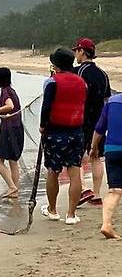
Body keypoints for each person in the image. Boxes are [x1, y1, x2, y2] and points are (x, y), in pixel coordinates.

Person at [40, 48, 87, 225]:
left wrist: (43, 126)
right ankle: (71, 214)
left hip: (55, 132)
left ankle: (52, 210)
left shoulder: (51, 82)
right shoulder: (82, 82)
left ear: (56, 64)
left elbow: (46, 107)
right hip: (76, 131)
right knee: (74, 171)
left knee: (53, 171)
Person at [72, 38, 112, 207]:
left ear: (82, 51)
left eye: (77, 51)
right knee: (97, 156)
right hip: (100, 119)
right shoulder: (103, 74)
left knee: (77, 157)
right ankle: (96, 193)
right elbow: (107, 98)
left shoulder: (78, 72)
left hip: (82, 119)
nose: (75, 54)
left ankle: (83, 189)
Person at [0, 67, 24, 198]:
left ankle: (12, 187)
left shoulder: (5, 91)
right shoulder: (12, 90)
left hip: (9, 131)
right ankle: (15, 191)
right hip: (17, 128)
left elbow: (10, 106)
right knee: (13, 161)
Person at [91, 92, 122, 238]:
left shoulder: (112, 101)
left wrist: (93, 147)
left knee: (114, 191)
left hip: (112, 150)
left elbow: (100, 127)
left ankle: (106, 224)